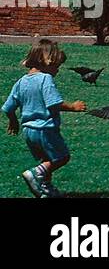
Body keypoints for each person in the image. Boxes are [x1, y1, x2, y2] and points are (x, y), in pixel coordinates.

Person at [3, 39, 86, 199]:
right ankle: (34, 174)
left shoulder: (20, 82)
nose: (57, 70)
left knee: (47, 159)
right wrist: (73, 107)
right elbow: (53, 104)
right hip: (45, 129)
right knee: (62, 157)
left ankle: (46, 190)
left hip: (28, 131)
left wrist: (13, 121)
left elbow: (8, 108)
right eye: (56, 66)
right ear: (45, 62)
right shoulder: (45, 79)